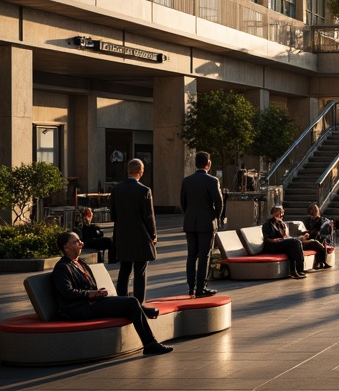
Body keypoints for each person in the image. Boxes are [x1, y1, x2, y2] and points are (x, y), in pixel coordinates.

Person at [51, 231, 172, 355]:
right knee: (131, 302)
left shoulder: (81, 263)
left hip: (91, 303)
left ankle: (148, 337)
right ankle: (150, 342)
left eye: (80, 241)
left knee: (130, 303)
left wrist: (97, 293)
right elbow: (68, 293)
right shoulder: (62, 267)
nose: (81, 243)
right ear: (66, 247)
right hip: (78, 308)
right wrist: (92, 294)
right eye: (76, 242)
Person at [110, 158, 156, 302]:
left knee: (124, 270)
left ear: (127, 171)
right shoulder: (144, 190)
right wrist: (153, 235)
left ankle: (121, 301)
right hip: (140, 235)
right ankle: (138, 302)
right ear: (141, 171)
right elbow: (149, 216)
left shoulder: (116, 189)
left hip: (122, 234)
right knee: (140, 271)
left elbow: (113, 215)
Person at [180, 151, 224, 297]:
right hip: (206, 224)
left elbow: (183, 202)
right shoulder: (212, 181)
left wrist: (190, 215)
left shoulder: (187, 181)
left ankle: (191, 287)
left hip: (190, 223)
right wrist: (215, 218)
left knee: (191, 255)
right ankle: (201, 287)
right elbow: (219, 203)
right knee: (204, 256)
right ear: (208, 164)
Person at [262, 206, 306, 278]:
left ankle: (294, 271)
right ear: (274, 213)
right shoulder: (267, 224)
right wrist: (274, 240)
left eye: (282, 213)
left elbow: (285, 237)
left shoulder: (281, 224)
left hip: (280, 244)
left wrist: (285, 232)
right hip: (272, 246)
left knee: (293, 247)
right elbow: (267, 239)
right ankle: (299, 269)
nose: (281, 215)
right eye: (280, 213)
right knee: (296, 242)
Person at [300, 203, 333, 269]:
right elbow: (303, 230)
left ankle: (320, 261)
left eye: (316, 210)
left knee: (316, 242)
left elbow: (322, 231)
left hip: (318, 239)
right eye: (313, 210)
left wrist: (311, 234)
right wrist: (305, 235)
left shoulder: (322, 220)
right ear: (310, 211)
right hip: (308, 239)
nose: (315, 211)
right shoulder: (307, 220)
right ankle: (323, 261)